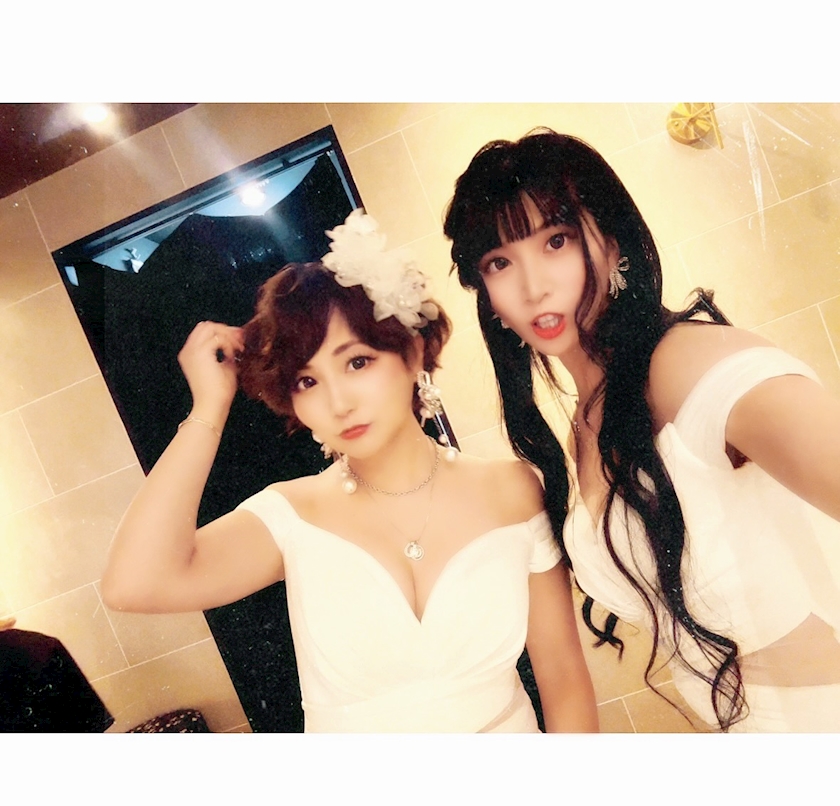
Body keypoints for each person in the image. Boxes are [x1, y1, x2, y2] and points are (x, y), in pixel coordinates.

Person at [101, 209, 598, 733]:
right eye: (307, 381)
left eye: (357, 362)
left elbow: (563, 676)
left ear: (412, 352)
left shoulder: (511, 489)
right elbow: (133, 584)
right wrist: (208, 407)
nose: (338, 402)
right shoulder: (292, 515)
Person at [443, 128, 840, 733]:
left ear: (613, 244)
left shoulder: (685, 364)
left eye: (556, 241)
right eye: (500, 262)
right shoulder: (585, 426)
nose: (533, 287)